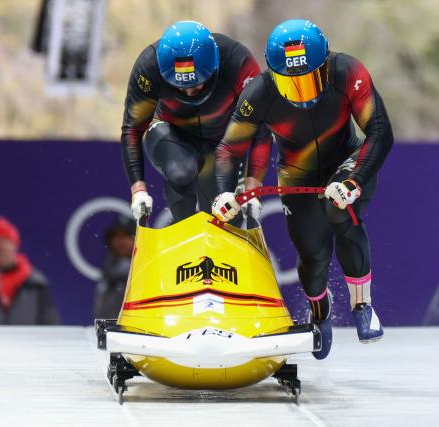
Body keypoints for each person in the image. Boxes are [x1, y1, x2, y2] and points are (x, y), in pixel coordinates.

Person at [213, 19, 394, 359]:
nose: (304, 94)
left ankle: (363, 305)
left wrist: (354, 182)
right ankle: (319, 313)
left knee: (338, 210)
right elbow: (228, 149)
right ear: (273, 77)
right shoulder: (259, 92)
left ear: (326, 66)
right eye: (291, 84)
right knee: (313, 257)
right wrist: (224, 191)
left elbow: (380, 130)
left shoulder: (348, 71)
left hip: (348, 161)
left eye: (311, 80)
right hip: (297, 175)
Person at [121, 20, 271, 224]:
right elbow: (132, 128)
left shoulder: (238, 61)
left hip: (221, 144)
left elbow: (260, 125)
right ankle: (184, 231)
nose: (189, 92)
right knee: (181, 171)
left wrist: (252, 184)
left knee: (226, 217)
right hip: (170, 134)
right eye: (180, 87)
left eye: (197, 84)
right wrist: (138, 189)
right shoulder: (148, 66)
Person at [94, 215, 135, 319]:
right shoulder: (108, 268)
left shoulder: (150, 268)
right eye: (116, 236)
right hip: (110, 331)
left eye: (126, 235)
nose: (121, 241)